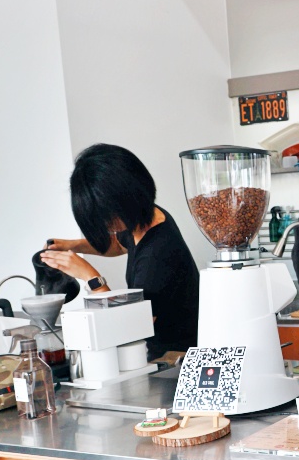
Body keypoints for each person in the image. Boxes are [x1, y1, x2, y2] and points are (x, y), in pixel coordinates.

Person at [41, 144, 200, 360]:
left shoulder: (158, 255)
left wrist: (91, 277)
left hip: (176, 359)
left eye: (106, 219)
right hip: (162, 354)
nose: (105, 226)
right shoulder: (146, 218)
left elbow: (131, 327)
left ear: (125, 202)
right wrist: (73, 245)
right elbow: (117, 245)